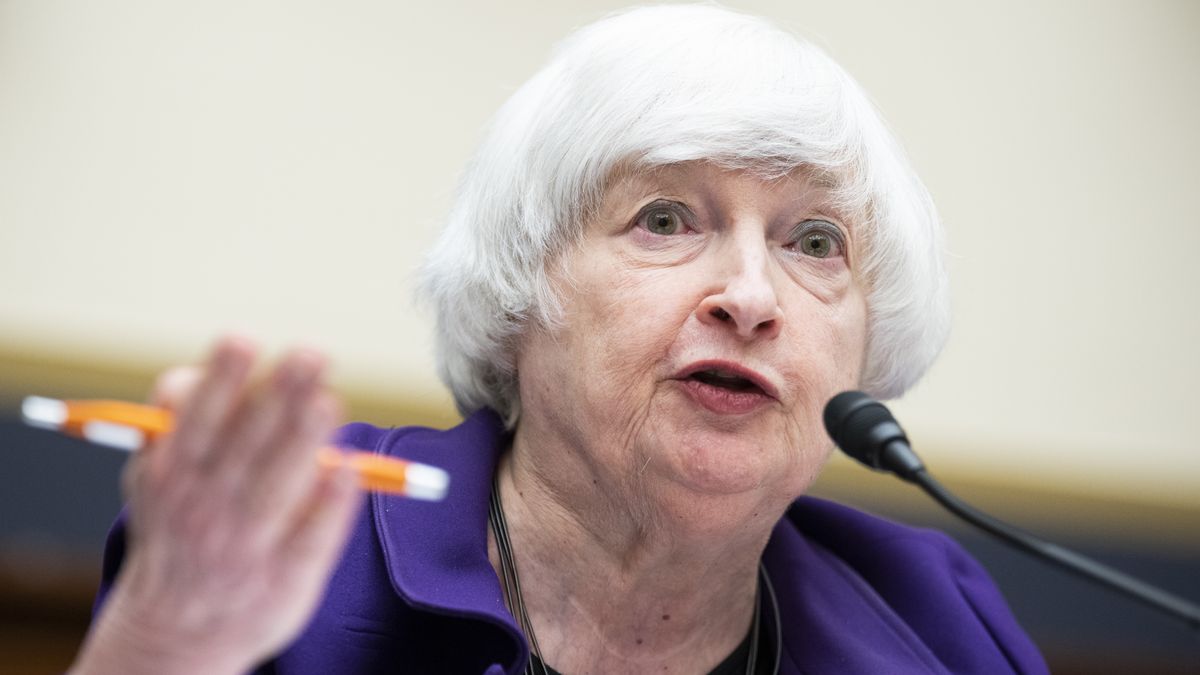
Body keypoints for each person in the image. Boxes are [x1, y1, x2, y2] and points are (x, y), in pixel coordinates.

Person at [70, 5, 1048, 674]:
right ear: (516, 289)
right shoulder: (296, 541)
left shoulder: (934, 619)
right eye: (667, 221)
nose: (752, 297)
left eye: (814, 242)